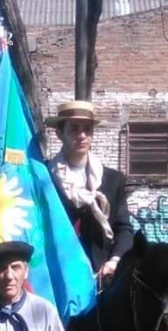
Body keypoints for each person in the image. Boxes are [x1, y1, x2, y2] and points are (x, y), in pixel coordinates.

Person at [47, 100, 133, 282]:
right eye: (74, 129)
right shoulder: (44, 176)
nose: (82, 135)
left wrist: (114, 260)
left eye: (88, 129)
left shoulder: (112, 179)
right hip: (54, 275)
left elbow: (124, 229)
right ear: (59, 134)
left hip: (99, 276)